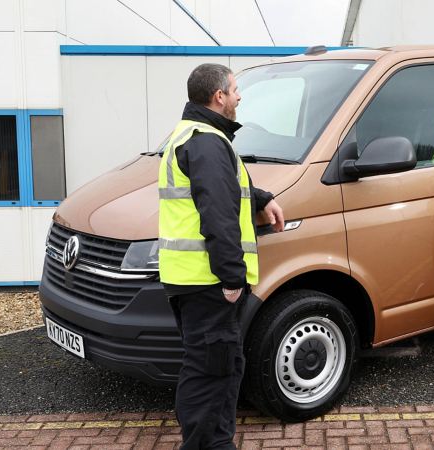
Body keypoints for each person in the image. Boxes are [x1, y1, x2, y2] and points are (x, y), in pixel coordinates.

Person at [157, 63, 284, 449]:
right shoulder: (208, 141)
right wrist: (232, 277)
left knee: (217, 367)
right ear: (219, 96)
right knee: (211, 372)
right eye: (235, 89)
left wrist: (261, 197)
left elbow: (221, 189)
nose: (240, 96)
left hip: (191, 280)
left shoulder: (194, 134)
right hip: (208, 283)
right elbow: (218, 214)